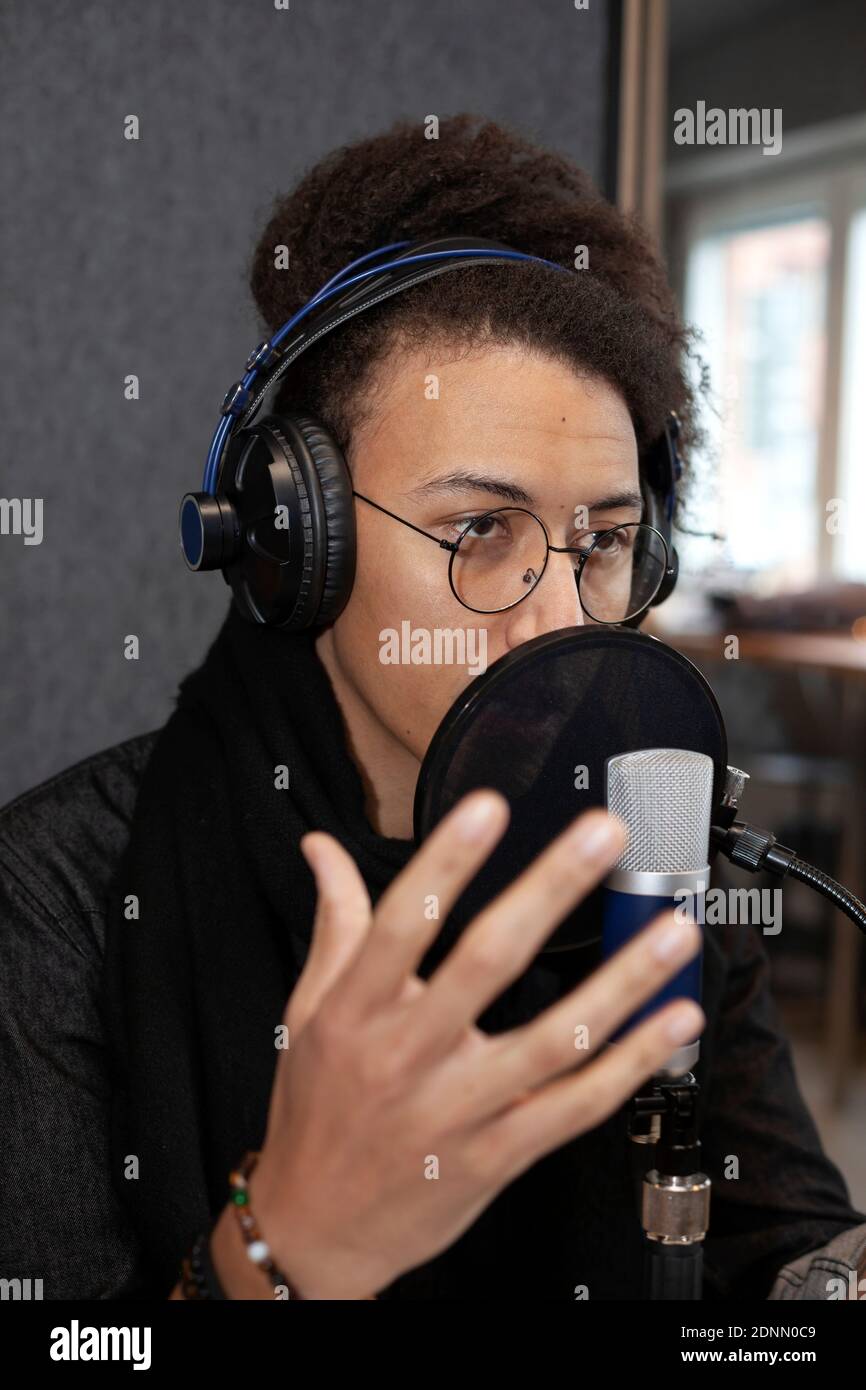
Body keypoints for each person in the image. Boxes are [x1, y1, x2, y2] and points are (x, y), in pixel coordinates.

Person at [2, 114, 864, 1302]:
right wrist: (285, 1248)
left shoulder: (653, 847)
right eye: (477, 532)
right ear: (294, 543)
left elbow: (781, 1249)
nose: (561, 617)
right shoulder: (55, 898)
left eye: (603, 542)